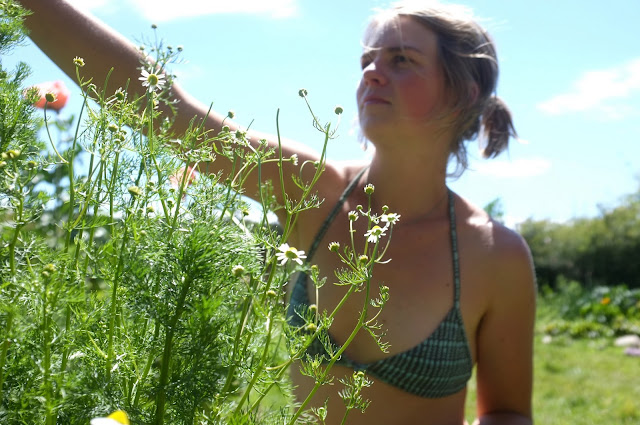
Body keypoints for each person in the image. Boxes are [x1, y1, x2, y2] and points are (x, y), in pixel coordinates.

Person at [19, 0, 536, 424]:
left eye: (401, 60)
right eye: (367, 60)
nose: (372, 73)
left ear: (463, 91)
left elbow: (507, 411)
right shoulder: (312, 192)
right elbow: (165, 111)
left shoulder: (495, 255)